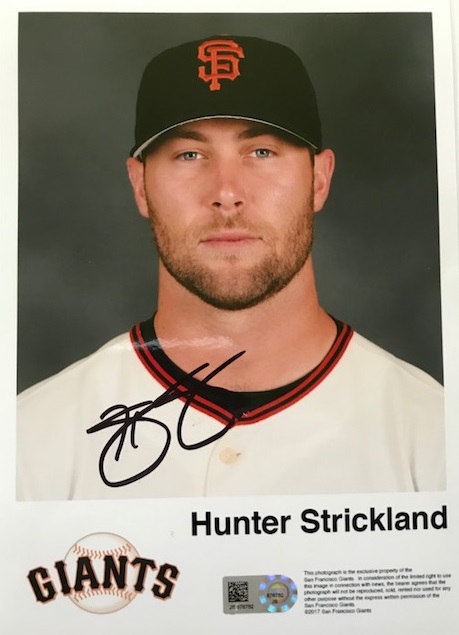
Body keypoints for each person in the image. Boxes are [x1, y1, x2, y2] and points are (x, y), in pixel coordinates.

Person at [17, 35, 445, 500]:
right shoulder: (30, 444)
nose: (226, 192)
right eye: (189, 155)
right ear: (139, 186)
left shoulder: (433, 438)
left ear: (319, 180)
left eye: (261, 152)